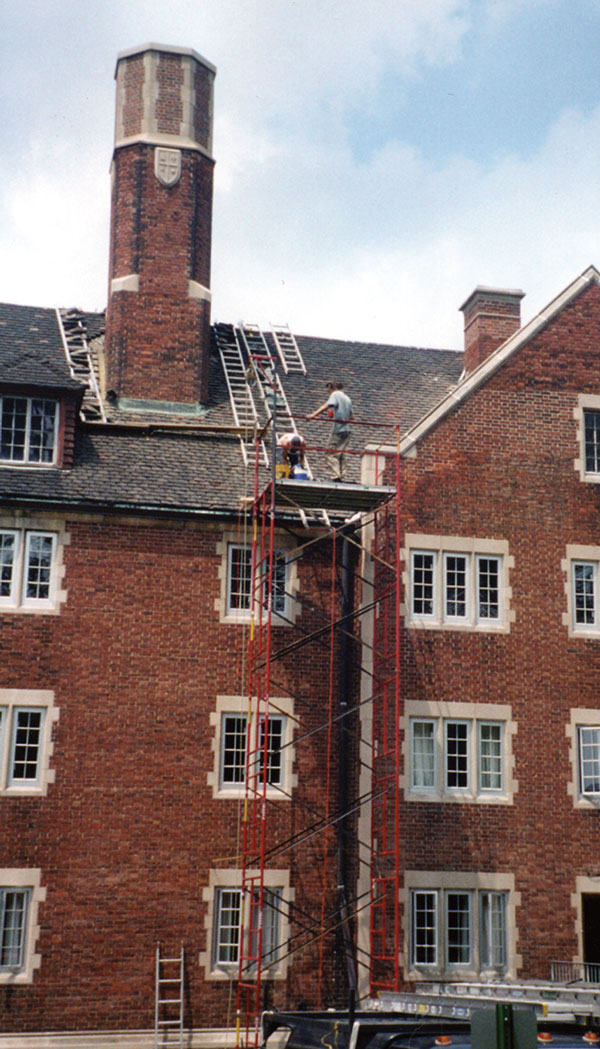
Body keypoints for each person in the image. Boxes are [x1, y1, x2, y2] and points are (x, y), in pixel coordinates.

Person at [307, 381, 354, 481]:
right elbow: (352, 417)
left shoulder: (335, 394)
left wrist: (313, 415)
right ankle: (342, 475)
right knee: (341, 453)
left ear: (332, 387)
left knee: (330, 453)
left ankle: (336, 476)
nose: (329, 393)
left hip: (338, 430)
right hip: (347, 430)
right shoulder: (347, 398)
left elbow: (326, 406)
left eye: (328, 390)